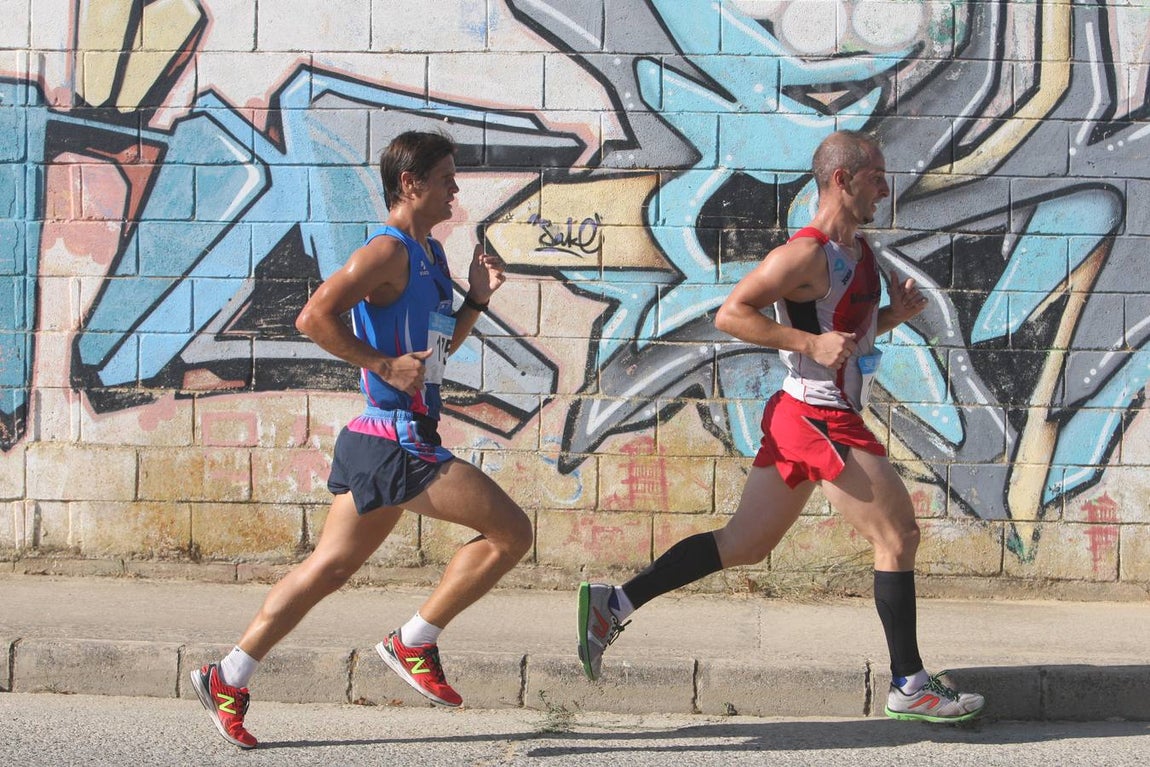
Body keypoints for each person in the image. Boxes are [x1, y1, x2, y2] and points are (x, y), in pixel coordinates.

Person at [577, 130, 985, 724]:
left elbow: (847, 337)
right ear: (841, 179)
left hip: (808, 419)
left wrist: (894, 316)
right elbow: (731, 313)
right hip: (819, 418)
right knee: (897, 536)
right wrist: (807, 342)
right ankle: (909, 683)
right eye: (876, 173)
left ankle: (613, 603)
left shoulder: (861, 252)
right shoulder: (805, 253)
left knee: (743, 545)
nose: (885, 185)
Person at [191, 130, 533, 748]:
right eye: (447, 178)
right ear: (411, 184)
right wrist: (379, 364)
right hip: (398, 440)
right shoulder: (387, 251)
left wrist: (476, 301)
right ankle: (414, 642)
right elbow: (313, 316)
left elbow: (436, 350)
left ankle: (228, 676)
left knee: (329, 567)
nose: (456, 189)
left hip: (384, 438)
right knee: (513, 532)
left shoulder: (430, 256)